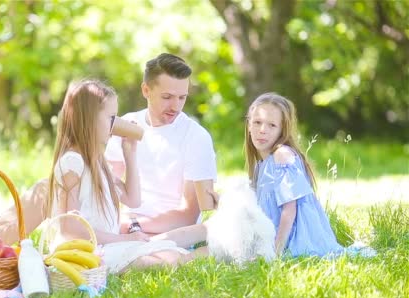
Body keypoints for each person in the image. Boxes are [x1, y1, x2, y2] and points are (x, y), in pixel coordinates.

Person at [45, 78, 202, 273]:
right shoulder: (72, 163)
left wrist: (130, 152)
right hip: (86, 253)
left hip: (107, 247)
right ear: (89, 119)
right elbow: (69, 229)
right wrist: (125, 239)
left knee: (170, 251)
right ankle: (219, 252)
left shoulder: (96, 161)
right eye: (111, 118)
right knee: (167, 261)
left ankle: (221, 243)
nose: (115, 124)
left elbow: (133, 199)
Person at [105, 53, 217, 234]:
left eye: (182, 97)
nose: (176, 106)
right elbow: (107, 187)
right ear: (146, 90)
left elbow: (189, 215)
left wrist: (133, 225)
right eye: (167, 97)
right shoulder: (128, 124)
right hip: (126, 226)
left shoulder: (196, 137)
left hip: (169, 232)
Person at [244, 92, 344, 257]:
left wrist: (275, 252)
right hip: (273, 239)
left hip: (298, 241)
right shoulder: (260, 165)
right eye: (257, 122)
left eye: (272, 125)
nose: (262, 130)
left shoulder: (282, 156)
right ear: (249, 125)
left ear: (282, 131)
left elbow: (289, 210)